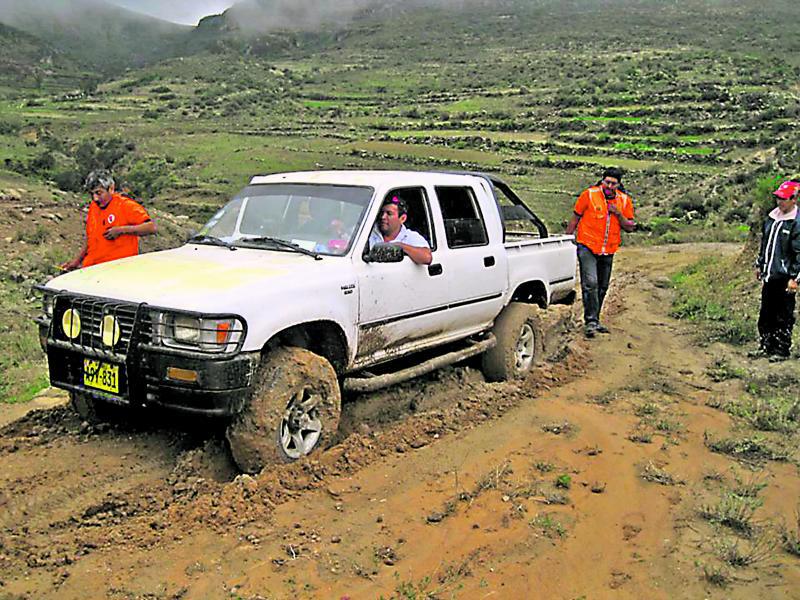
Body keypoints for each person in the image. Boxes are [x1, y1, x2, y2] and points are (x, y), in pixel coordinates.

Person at [565, 167, 635, 338]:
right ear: (602, 181)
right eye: (607, 182)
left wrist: (618, 214)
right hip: (587, 245)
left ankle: (595, 320)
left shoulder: (624, 201)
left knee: (603, 286)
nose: (609, 186)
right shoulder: (589, 195)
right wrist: (566, 239)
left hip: (609, 249)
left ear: (619, 185)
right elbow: (576, 217)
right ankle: (590, 322)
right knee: (591, 283)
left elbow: (630, 227)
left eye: (613, 183)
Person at [61, 170, 157, 271]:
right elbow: (91, 238)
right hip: (92, 267)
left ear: (111, 189)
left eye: (99, 193)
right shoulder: (94, 207)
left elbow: (151, 227)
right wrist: (76, 261)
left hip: (118, 269)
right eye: (92, 194)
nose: (95, 198)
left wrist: (121, 230)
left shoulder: (125, 205)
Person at [752, 179, 800, 361]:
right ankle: (765, 345)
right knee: (766, 313)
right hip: (769, 275)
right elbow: (765, 245)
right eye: (778, 198)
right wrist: (759, 264)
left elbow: (799, 253)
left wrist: (795, 278)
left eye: (784, 198)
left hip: (785, 278)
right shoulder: (772, 218)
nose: (780, 202)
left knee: (783, 315)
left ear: (794, 199)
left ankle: (781, 350)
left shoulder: (796, 223)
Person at [368, 195, 432, 265]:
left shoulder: (409, 237)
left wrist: (400, 246)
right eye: (382, 213)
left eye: (389, 213)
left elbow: (427, 258)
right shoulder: (367, 233)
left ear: (402, 218)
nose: (383, 217)